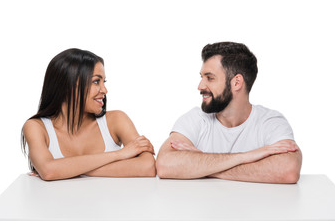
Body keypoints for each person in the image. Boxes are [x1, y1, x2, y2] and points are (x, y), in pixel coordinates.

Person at [156, 42, 302, 183]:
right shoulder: (196, 118)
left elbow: (288, 170)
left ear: (236, 82)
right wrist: (245, 157)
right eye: (202, 77)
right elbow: (164, 165)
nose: (200, 86)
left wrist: (203, 164)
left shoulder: (270, 121)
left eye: (210, 78)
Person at [21, 48, 155, 180]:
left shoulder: (116, 120)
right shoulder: (36, 127)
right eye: (96, 81)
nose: (104, 90)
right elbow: (49, 171)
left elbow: (148, 167)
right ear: (68, 85)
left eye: (104, 82)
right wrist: (119, 155)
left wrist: (67, 169)